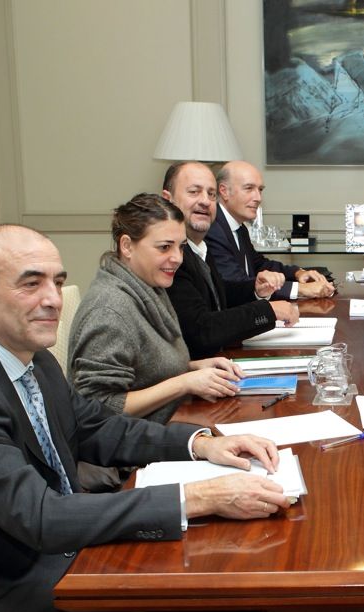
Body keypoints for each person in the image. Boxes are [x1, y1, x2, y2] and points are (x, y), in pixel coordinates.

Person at [0, 224, 290, 612]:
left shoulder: (31, 358)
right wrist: (201, 497)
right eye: (31, 282)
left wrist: (200, 444)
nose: (54, 298)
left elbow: (98, 428)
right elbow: (41, 517)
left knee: (196, 602)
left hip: (33, 557)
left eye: (57, 281)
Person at [69, 193, 243, 424]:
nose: (177, 258)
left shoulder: (148, 285)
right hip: (130, 454)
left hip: (163, 426)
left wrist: (192, 369)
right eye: (164, 247)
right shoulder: (109, 310)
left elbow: (143, 372)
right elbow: (99, 408)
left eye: (180, 247)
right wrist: (184, 383)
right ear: (127, 246)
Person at [162, 161, 299, 359]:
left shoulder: (198, 246)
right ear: (168, 199)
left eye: (211, 194)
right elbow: (202, 330)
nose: (205, 201)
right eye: (194, 192)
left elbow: (219, 298)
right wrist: (268, 310)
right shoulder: (170, 256)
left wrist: (256, 290)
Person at [206, 160, 334, 300]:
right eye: (249, 188)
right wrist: (301, 289)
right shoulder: (212, 228)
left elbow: (259, 265)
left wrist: (297, 272)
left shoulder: (239, 227)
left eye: (260, 190)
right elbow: (235, 283)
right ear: (224, 191)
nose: (258, 198)